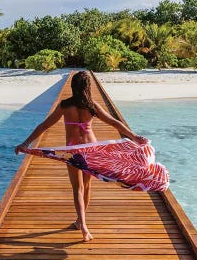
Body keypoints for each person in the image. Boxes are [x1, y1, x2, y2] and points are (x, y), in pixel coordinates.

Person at [14, 71, 147, 242]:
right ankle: (80, 222)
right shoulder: (92, 106)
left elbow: (45, 125)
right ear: (87, 87)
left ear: (73, 86)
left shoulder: (65, 105)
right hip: (91, 149)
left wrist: (26, 143)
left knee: (77, 188)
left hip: (73, 150)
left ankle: (82, 224)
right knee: (87, 186)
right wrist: (134, 137)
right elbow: (114, 123)